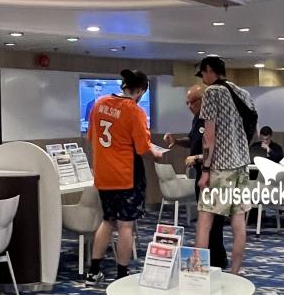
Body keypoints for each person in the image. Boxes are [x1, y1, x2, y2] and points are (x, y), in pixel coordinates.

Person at [86, 68, 164, 282]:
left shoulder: (99, 103)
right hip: (127, 176)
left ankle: (94, 271)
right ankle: (122, 273)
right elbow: (143, 148)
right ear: (140, 90)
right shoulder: (134, 111)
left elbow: (91, 137)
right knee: (125, 225)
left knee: (107, 221)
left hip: (104, 175)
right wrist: (157, 155)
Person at [194, 55, 254, 274]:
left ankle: (198, 272)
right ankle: (235, 273)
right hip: (241, 166)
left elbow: (208, 136)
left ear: (210, 70)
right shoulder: (243, 93)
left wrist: (205, 170)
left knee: (204, 220)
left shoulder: (212, 92)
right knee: (238, 223)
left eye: (203, 73)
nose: (202, 78)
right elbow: (253, 131)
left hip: (220, 166)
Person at [164, 84, 228, 269]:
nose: (189, 106)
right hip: (201, 175)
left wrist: (198, 158)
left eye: (191, 102)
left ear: (203, 100)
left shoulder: (215, 119)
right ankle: (210, 261)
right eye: (187, 103)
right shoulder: (197, 119)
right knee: (206, 222)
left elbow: (218, 151)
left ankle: (217, 262)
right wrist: (177, 141)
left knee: (213, 223)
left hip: (215, 176)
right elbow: (193, 141)